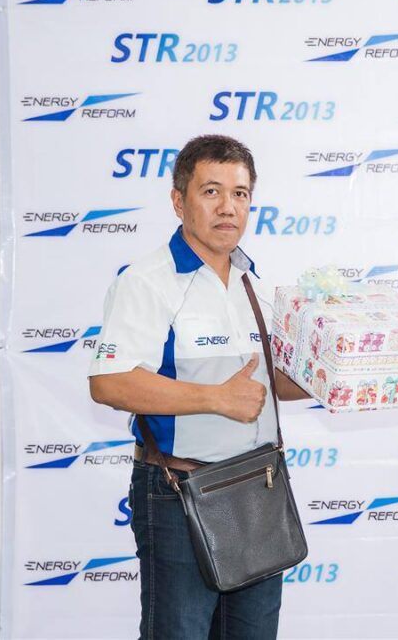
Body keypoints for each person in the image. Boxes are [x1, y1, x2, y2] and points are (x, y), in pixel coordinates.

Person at [88, 134, 309, 639]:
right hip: (179, 493)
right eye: (211, 191)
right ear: (178, 200)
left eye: (240, 194)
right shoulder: (147, 281)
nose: (228, 207)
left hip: (256, 490)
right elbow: (109, 382)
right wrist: (215, 399)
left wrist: (338, 378)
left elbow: (270, 383)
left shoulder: (255, 283)